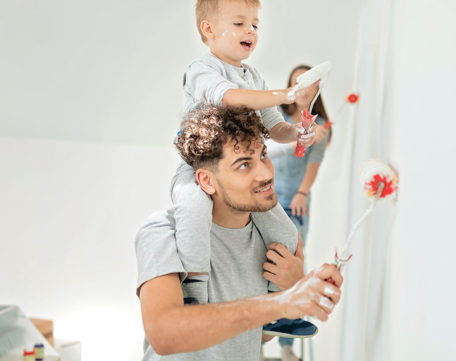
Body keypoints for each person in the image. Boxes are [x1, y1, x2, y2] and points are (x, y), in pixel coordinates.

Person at [171, 0, 321, 340]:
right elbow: (228, 99)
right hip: (198, 168)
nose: (250, 31)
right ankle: (193, 298)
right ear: (208, 29)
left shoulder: (253, 77)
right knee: (192, 209)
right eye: (239, 23)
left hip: (241, 171)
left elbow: (275, 126)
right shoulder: (201, 69)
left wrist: (297, 134)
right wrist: (285, 93)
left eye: (255, 24)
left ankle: (278, 309)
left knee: (285, 230)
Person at [135, 106, 344, 360]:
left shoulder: (270, 240)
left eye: (263, 155)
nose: (266, 173)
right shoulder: (164, 233)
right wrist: (283, 301)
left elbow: (259, 335)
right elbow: (164, 335)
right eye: (244, 164)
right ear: (207, 181)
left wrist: (288, 289)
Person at [262, 65, 332, 360]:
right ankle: (258, 338)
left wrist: (302, 193)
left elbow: (313, 164)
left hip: (295, 201)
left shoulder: (322, 126)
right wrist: (296, 137)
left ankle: (287, 345)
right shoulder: (276, 121)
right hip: (267, 199)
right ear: (291, 87)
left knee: (292, 268)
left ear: (317, 89)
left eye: (311, 84)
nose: (305, 89)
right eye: (298, 83)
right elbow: (264, 153)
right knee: (263, 265)